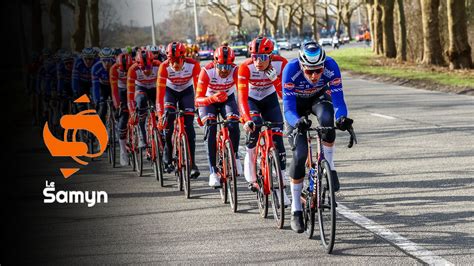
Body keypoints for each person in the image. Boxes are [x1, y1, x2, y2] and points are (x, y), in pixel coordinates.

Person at [282, 41, 353, 233]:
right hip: (295, 107)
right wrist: (297, 122)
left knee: (328, 120)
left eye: (318, 71)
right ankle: (296, 209)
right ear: (302, 66)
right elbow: (287, 108)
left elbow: (338, 99)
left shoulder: (331, 66)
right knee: (300, 154)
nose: (314, 75)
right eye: (309, 71)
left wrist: (342, 118)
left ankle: (329, 167)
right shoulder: (290, 70)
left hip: (317, 99)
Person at [237, 36, 290, 205]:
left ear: (271, 55)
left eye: (262, 57)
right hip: (251, 100)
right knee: (255, 127)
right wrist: (246, 119)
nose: (258, 62)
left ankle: (282, 186)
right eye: (254, 57)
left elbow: (286, 96)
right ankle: (251, 162)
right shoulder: (245, 67)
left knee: (278, 140)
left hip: (270, 99)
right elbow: (242, 98)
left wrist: (275, 80)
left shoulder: (282, 64)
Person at [195, 45, 241, 187]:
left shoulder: (235, 70)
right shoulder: (207, 71)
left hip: (228, 98)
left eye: (227, 67)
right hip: (209, 100)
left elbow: (243, 94)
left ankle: (235, 155)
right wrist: (212, 98)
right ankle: (213, 172)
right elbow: (197, 99)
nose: (224, 70)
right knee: (211, 128)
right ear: (215, 63)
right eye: (220, 66)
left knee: (233, 123)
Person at [156, 42, 201, 179]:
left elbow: (199, 89)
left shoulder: (193, 64)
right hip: (170, 92)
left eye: (178, 61)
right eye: (171, 60)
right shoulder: (163, 67)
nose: (174, 64)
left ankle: (192, 164)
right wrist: (160, 114)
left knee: (190, 130)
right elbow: (159, 95)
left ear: (184, 58)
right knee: (168, 122)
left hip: (187, 92)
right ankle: (168, 156)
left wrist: (198, 107)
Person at [127, 49, 161, 149]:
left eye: (148, 67)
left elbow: (165, 88)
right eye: (143, 68)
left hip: (155, 87)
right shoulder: (133, 70)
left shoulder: (158, 65)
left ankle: (160, 131)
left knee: (159, 108)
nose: (146, 71)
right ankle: (142, 136)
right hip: (140, 88)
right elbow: (130, 94)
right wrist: (133, 112)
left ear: (152, 62)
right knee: (141, 100)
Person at [110, 53, 134, 166]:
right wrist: (117, 105)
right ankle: (123, 151)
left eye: (127, 69)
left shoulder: (134, 66)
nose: (125, 72)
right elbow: (114, 90)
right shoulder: (114, 69)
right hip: (121, 90)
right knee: (123, 117)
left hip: (133, 88)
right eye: (123, 70)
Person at [91, 47, 116, 123]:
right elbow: (95, 87)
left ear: (112, 59)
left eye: (109, 60)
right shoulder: (95, 68)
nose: (107, 63)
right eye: (104, 60)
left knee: (118, 107)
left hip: (113, 86)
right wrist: (97, 101)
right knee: (102, 107)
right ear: (100, 60)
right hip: (102, 87)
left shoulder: (116, 66)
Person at [72, 47, 97, 112]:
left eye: (90, 59)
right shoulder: (78, 63)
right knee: (81, 105)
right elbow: (75, 79)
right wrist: (75, 90)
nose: (88, 61)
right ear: (82, 58)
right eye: (85, 59)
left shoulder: (97, 63)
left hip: (92, 84)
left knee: (95, 102)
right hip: (81, 83)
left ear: (94, 58)